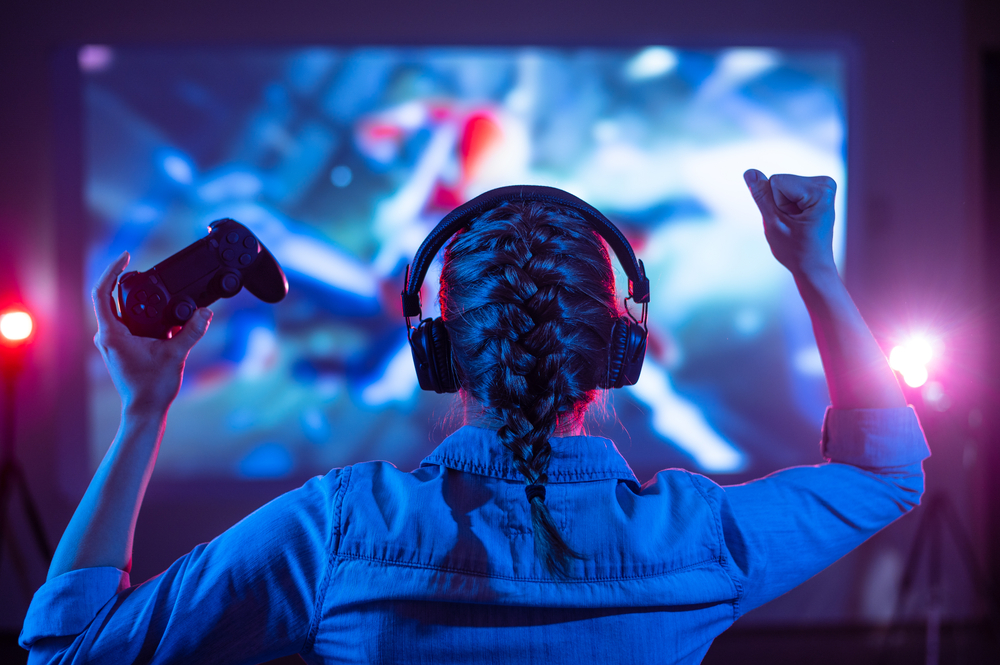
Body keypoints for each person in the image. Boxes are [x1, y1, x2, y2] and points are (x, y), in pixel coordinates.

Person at [20, 170, 928, 664]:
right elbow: (888, 469)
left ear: (439, 351)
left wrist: (144, 410)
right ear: (621, 353)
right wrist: (815, 267)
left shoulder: (342, 528)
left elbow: (70, 656)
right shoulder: (701, 542)